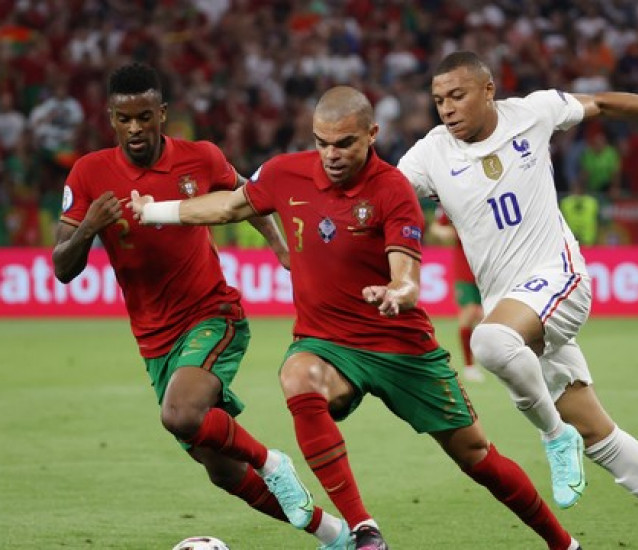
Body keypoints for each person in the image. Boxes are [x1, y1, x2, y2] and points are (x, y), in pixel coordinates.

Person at [130, 85, 582, 550]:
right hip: (327, 345)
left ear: (372, 134)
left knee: (476, 457)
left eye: (344, 143)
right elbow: (227, 205)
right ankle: (363, 530)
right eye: (322, 142)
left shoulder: (393, 190)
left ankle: (563, 543)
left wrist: (397, 293)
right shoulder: (286, 174)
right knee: (297, 375)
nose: (331, 154)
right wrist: (154, 211)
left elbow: (406, 275)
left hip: (401, 349)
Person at [397, 51, 638, 550]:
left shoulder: (533, 112)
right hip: (518, 312)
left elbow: (605, 102)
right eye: (438, 101)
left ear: (488, 89)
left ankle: (552, 435)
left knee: (490, 342)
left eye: (457, 95)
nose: (447, 109)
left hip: (559, 281)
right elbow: (380, 194)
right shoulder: (430, 153)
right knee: (601, 436)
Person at [51, 62, 348, 550]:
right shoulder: (89, 174)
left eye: (144, 116)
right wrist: (87, 228)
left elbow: (247, 199)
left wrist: (280, 251)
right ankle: (333, 534)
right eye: (124, 119)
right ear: (110, 119)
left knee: (181, 414)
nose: (135, 129)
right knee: (222, 470)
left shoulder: (201, 158)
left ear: (162, 113)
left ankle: (274, 462)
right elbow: (63, 268)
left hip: (213, 316)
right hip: (155, 342)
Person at [428, 208, 485, 382]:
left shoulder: (486, 201)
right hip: (465, 269)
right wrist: (453, 232)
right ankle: (469, 366)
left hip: (488, 267)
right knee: (469, 313)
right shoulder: (450, 201)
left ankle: (491, 360)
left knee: (486, 316)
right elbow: (436, 228)